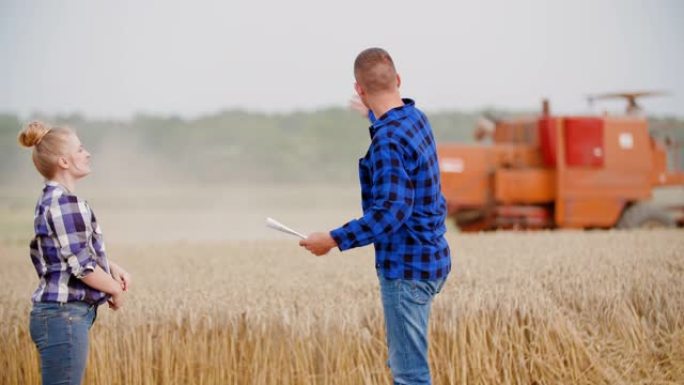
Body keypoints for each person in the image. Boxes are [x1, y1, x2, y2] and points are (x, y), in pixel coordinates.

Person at [300, 48, 451, 385]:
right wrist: (371, 114)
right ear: (398, 80)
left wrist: (332, 240)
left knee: (409, 375)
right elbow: (395, 132)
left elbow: (391, 213)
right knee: (406, 364)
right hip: (433, 260)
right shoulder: (416, 118)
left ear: (359, 90)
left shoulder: (386, 142)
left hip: (406, 270)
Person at [18, 121, 131, 385]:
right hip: (64, 315)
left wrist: (110, 266)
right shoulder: (66, 203)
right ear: (64, 162)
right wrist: (115, 289)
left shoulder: (51, 199)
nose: (87, 154)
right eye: (80, 149)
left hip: (58, 315)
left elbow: (66, 252)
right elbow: (84, 267)